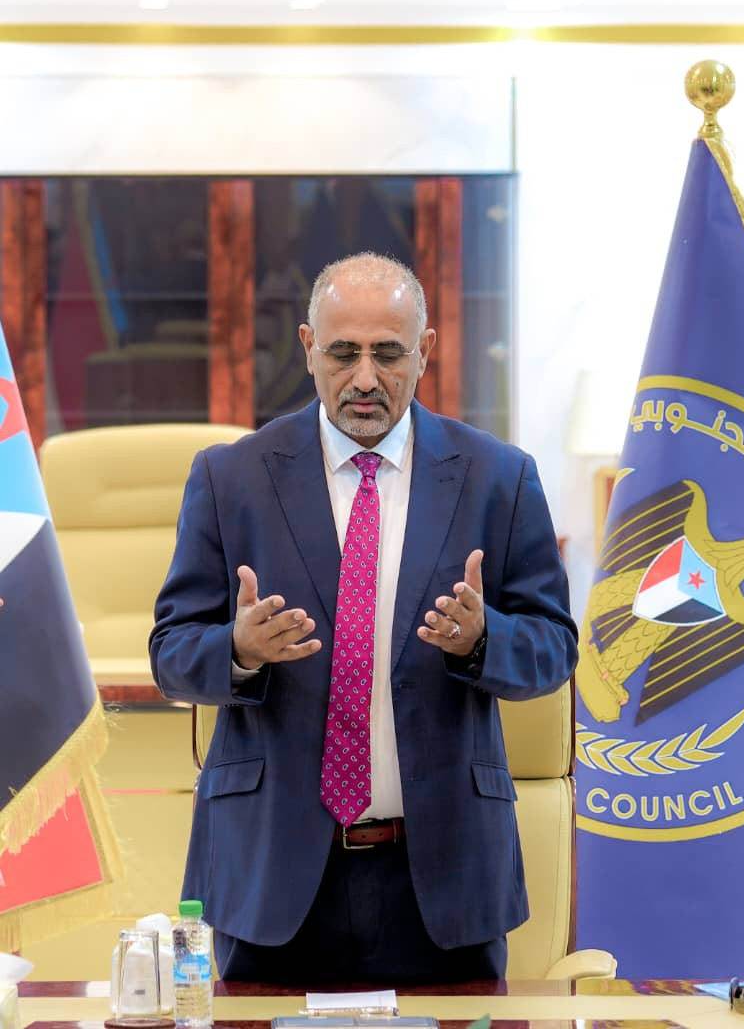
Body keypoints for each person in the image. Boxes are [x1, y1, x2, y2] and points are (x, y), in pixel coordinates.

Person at [150, 251, 577, 984]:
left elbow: (554, 647)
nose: (366, 378)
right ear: (308, 348)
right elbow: (171, 652)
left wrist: (485, 640)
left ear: (425, 351)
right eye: (344, 353)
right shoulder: (231, 477)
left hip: (443, 876)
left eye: (388, 353)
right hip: (274, 873)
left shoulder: (498, 478)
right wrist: (239, 651)